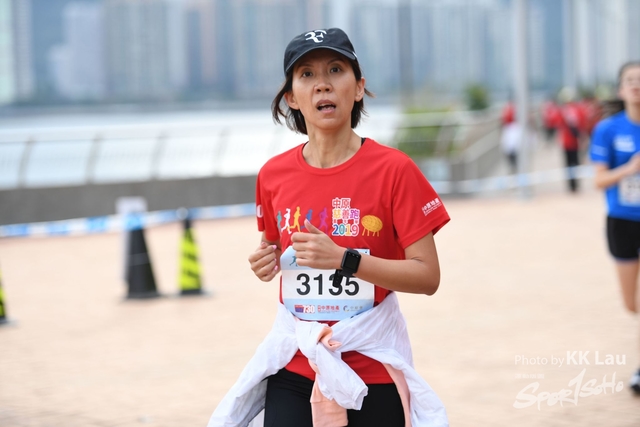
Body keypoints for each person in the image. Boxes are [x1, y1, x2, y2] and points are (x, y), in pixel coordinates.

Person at [208, 28, 450, 427]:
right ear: (291, 97)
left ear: (359, 88)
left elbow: (428, 277)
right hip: (295, 365)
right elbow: (274, 248)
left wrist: (344, 260)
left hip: (373, 369)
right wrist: (265, 262)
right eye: (306, 74)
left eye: (336, 70)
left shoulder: (395, 170)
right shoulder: (272, 175)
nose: (322, 84)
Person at [590, 61, 640, 395]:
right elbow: (598, 180)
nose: (636, 85)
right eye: (630, 80)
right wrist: (630, 169)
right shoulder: (608, 129)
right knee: (632, 303)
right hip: (622, 222)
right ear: (621, 89)